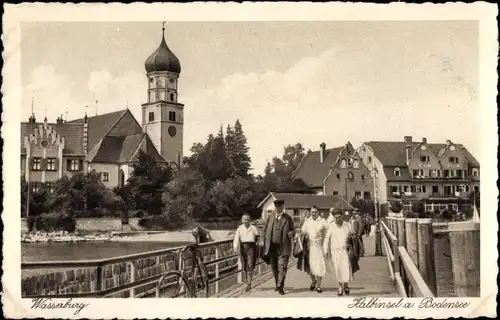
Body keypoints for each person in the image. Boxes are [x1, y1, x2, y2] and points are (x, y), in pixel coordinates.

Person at [262, 199, 295, 295]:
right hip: (272, 246)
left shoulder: (288, 218)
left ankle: (280, 286)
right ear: (275, 207)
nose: (278, 209)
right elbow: (264, 230)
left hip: (283, 246)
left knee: (282, 267)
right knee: (274, 267)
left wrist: (291, 233)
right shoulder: (270, 217)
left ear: (283, 207)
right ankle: (277, 284)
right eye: (276, 207)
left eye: (280, 207)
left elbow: (293, 230)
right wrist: (261, 240)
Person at [324, 208, 353, 296]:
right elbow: (326, 239)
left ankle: (346, 285)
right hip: (335, 252)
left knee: (346, 269)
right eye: (336, 218)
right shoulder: (331, 226)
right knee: (337, 269)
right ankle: (340, 287)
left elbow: (352, 236)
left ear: (342, 216)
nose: (338, 219)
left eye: (339, 217)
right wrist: (325, 250)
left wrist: (351, 243)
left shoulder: (347, 225)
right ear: (334, 217)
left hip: (344, 251)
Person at [300, 206, 328, 293]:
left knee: (320, 266)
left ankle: (318, 286)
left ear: (318, 212)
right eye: (312, 212)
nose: (313, 214)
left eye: (315, 212)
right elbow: (303, 231)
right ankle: (313, 281)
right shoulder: (308, 221)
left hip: (319, 246)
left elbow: (329, 231)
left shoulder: (322, 221)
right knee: (310, 266)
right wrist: (305, 234)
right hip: (309, 246)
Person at [233, 214, 260, 291]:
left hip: (251, 247)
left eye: (247, 219)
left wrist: (258, 242)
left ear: (250, 220)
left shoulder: (253, 228)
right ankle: (247, 279)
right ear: (242, 220)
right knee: (244, 264)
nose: (246, 221)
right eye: (244, 219)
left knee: (250, 264)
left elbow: (257, 236)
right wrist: (235, 248)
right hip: (243, 247)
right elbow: (236, 239)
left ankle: (249, 284)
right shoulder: (239, 228)